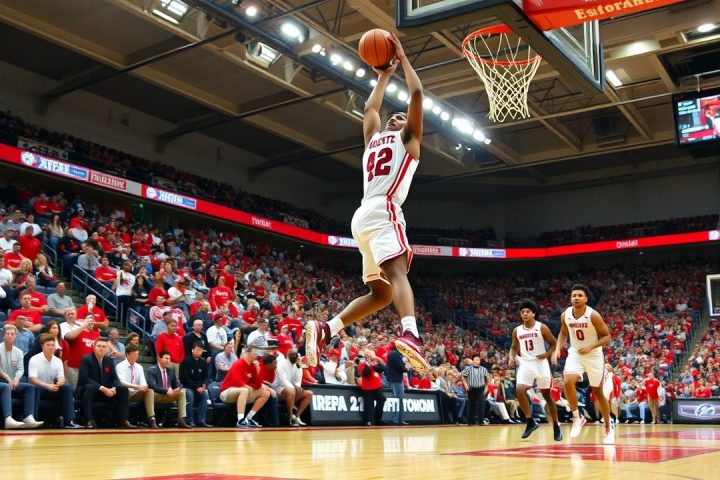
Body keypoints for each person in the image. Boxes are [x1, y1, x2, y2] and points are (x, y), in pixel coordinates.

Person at [304, 34, 429, 373]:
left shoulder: (384, 140)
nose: (394, 117)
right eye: (394, 116)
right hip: (384, 209)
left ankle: (327, 328)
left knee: (382, 293)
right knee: (398, 272)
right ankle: (411, 333)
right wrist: (400, 60)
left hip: (362, 218)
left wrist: (384, 75)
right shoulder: (399, 140)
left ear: (409, 125)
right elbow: (413, 95)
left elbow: (373, 108)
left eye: (401, 117)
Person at [552, 284, 614, 444]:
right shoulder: (566, 314)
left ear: (586, 299)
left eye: (580, 295)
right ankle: (577, 417)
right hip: (575, 353)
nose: (576, 298)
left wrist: (591, 346)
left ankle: (608, 425)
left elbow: (607, 337)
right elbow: (563, 332)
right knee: (567, 381)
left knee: (598, 393)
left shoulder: (593, 315)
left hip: (594, 355)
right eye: (574, 295)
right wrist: (557, 349)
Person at [509, 299, 562, 441]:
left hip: (540, 363)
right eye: (522, 312)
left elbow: (554, 343)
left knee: (547, 396)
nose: (525, 314)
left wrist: (547, 354)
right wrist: (511, 357)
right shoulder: (517, 330)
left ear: (533, 313)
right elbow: (513, 347)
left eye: (528, 311)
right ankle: (530, 421)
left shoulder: (541, 327)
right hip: (525, 363)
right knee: (519, 389)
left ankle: (556, 425)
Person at [74, 337, 136, 429]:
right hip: (87, 391)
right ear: (94, 347)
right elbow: (85, 378)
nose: (101, 348)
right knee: (90, 387)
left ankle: (123, 420)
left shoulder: (109, 360)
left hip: (104, 392)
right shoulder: (86, 359)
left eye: (104, 347)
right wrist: (103, 388)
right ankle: (88, 420)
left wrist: (114, 387)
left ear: (107, 348)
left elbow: (114, 378)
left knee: (123, 389)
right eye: (99, 346)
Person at [27, 333, 82, 428]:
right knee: (35, 388)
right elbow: (32, 379)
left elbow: (62, 377)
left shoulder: (58, 361)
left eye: (53, 345)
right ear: (42, 346)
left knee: (67, 388)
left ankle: (69, 421)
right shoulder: (34, 359)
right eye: (48, 345)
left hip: (51, 388)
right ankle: (34, 419)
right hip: (38, 389)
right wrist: (47, 386)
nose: (51, 347)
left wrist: (60, 382)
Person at [0, 325, 43, 428]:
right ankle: (8, 418)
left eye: (12, 334)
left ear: (16, 336)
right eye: (8, 334)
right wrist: (7, 378)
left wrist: (16, 378)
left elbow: (20, 369)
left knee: (30, 387)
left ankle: (28, 417)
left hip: (12, 382)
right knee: (5, 386)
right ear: (3, 336)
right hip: (2, 382)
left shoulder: (19, 352)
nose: (10, 336)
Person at [219, 345, 270, 428]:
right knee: (244, 390)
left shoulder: (253, 366)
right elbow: (236, 381)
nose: (256, 356)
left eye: (256, 354)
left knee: (266, 393)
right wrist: (247, 386)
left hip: (243, 392)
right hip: (227, 392)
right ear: (247, 353)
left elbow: (258, 385)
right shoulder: (238, 363)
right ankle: (240, 420)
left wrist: (258, 370)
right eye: (254, 354)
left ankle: (249, 418)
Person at [116, 345, 159, 429]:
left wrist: (144, 387)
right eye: (134, 354)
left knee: (149, 391)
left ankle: (151, 419)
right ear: (127, 355)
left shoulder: (139, 367)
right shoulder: (120, 366)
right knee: (125, 390)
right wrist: (137, 386)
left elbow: (143, 382)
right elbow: (122, 382)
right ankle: (125, 421)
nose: (136, 356)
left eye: (137, 354)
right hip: (125, 392)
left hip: (136, 392)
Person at [146, 351, 191, 428]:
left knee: (182, 392)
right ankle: (152, 420)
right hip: (156, 396)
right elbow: (153, 386)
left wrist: (178, 389)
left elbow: (177, 384)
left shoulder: (170, 371)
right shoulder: (152, 370)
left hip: (169, 395)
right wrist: (166, 391)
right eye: (166, 358)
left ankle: (181, 420)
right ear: (160, 359)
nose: (168, 361)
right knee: (150, 392)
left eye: (169, 359)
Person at [274, 349, 313, 427]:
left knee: (309, 394)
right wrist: (294, 387)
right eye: (293, 355)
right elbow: (283, 380)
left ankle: (297, 416)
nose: (295, 357)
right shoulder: (281, 364)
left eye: (296, 355)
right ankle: (290, 416)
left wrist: (297, 386)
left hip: (291, 388)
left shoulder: (297, 364)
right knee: (291, 391)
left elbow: (298, 380)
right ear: (288, 356)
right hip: (279, 388)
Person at [179, 342, 212, 427]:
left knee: (205, 395)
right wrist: (196, 387)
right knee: (190, 395)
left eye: (201, 350)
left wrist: (204, 384)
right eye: (197, 349)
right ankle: (190, 420)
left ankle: (201, 420)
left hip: (199, 387)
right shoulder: (185, 361)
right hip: (187, 386)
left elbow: (206, 376)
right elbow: (184, 378)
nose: (199, 352)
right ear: (192, 350)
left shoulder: (203, 362)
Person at [358, 347, 387, 426]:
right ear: (365, 356)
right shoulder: (362, 364)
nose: (369, 356)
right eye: (367, 354)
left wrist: (374, 366)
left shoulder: (375, 361)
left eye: (370, 354)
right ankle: (368, 421)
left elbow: (382, 369)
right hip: (368, 388)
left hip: (377, 387)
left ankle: (378, 419)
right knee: (369, 404)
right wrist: (368, 365)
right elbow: (366, 374)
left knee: (382, 399)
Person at [385, 343, 409, 425]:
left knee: (399, 400)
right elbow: (399, 367)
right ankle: (395, 419)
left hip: (397, 380)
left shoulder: (395, 353)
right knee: (397, 400)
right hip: (395, 380)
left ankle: (400, 419)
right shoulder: (395, 354)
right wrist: (407, 368)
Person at [461, 355, 489, 425]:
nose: (475, 361)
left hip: (480, 389)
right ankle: (470, 422)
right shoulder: (468, 368)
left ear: (479, 361)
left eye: (477, 359)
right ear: (473, 361)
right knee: (471, 405)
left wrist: (486, 387)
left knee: (481, 405)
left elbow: (487, 379)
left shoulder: (483, 369)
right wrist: (466, 384)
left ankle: (481, 421)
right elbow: (462, 376)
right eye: (474, 359)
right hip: (471, 388)